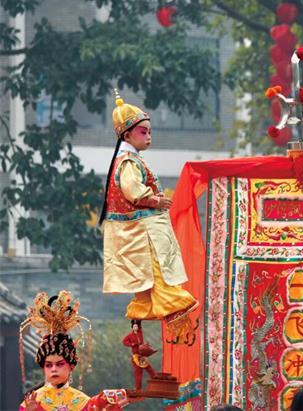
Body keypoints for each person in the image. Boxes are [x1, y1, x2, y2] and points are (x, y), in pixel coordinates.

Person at [100, 90, 198, 337]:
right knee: (157, 273)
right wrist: (154, 200)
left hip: (139, 229)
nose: (149, 137)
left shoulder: (130, 159)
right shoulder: (128, 162)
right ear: (127, 135)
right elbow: (133, 190)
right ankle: (174, 308)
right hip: (141, 232)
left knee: (147, 281)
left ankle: (141, 312)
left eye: (150, 132)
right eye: (143, 132)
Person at [20, 291, 129, 410]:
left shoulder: (83, 402)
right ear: (43, 368)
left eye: (60, 364)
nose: (54, 369)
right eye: (48, 365)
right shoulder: (32, 402)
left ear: (71, 366)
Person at [122, 319, 156, 391]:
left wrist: (138, 319)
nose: (136, 327)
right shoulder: (130, 335)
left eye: (137, 326)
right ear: (132, 327)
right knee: (138, 372)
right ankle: (138, 388)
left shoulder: (140, 332)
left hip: (142, 355)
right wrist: (132, 344)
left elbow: (140, 325)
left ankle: (156, 380)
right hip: (136, 356)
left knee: (149, 369)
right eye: (134, 326)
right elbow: (124, 341)